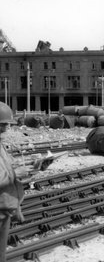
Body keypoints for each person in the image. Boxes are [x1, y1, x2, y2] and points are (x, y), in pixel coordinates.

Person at [0, 102, 32, 262]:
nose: (6, 128)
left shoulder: (0, 146)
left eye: (7, 124)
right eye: (3, 124)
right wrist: (15, 173)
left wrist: (32, 168)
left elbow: (8, 168)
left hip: (5, 211)